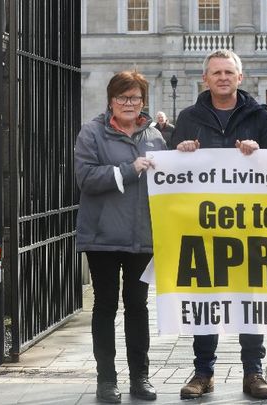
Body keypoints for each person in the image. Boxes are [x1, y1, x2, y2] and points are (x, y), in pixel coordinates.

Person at [170, 49, 267, 400]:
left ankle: (254, 371)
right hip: (203, 226)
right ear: (206, 79)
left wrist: (258, 151)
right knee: (206, 299)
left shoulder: (259, 116)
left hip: (249, 224)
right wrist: (181, 150)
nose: (222, 77)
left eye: (228, 72)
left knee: (249, 300)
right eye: (216, 72)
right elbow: (170, 171)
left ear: (240, 77)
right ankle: (203, 372)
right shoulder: (189, 117)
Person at [74, 71, 166, 404]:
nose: (129, 103)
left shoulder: (155, 136)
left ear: (144, 100)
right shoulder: (92, 133)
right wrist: (130, 168)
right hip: (102, 237)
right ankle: (106, 379)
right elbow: (85, 177)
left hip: (142, 237)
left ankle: (140, 378)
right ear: (111, 100)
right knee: (105, 307)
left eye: (135, 98)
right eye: (122, 98)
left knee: (138, 308)